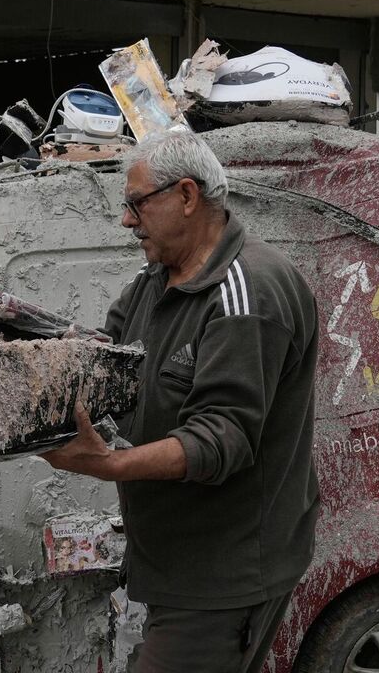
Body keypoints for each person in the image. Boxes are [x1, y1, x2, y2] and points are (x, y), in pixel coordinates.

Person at [42, 130, 321, 673]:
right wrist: (15, 339)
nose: (127, 220)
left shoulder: (248, 292)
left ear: (187, 196)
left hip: (222, 574)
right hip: (176, 565)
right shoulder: (156, 280)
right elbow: (107, 359)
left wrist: (108, 464)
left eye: (136, 203)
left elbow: (223, 438)